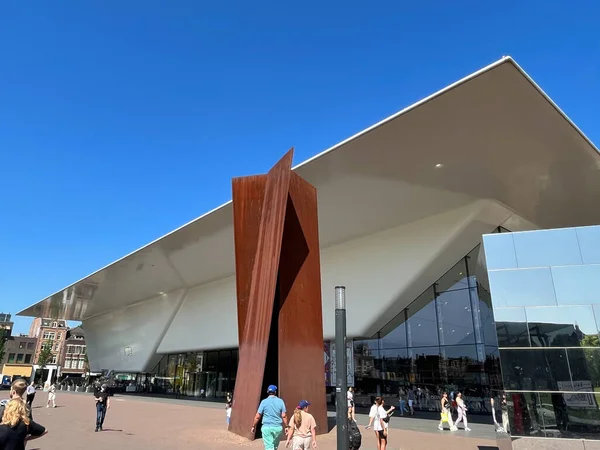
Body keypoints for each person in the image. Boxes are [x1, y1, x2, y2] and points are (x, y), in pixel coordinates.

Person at [251, 385, 288, 450]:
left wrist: (253, 426)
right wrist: (286, 426)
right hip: (277, 428)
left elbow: (257, 416)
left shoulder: (264, 402)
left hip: (267, 427)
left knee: (269, 447)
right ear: (275, 392)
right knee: (274, 447)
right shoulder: (280, 401)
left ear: (268, 392)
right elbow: (284, 416)